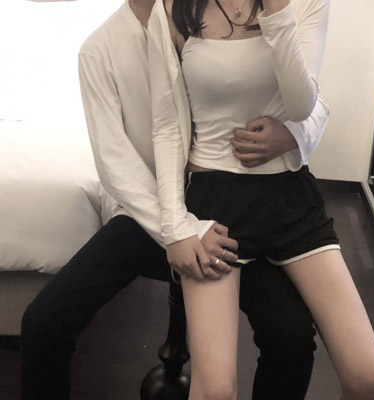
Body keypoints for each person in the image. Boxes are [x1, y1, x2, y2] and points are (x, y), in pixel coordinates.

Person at [20, 0, 331, 399]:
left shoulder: (229, 11)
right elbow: (116, 163)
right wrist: (177, 229)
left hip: (233, 209)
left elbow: (307, 92)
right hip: (152, 215)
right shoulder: (100, 50)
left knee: (292, 338)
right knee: (43, 323)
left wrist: (296, 135)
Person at [147, 0, 374, 399]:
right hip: (215, 204)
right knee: (215, 391)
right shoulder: (173, 6)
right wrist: (175, 228)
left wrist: (278, 13)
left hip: (289, 196)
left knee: (369, 379)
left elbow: (301, 104)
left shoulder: (306, 3)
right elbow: (166, 125)